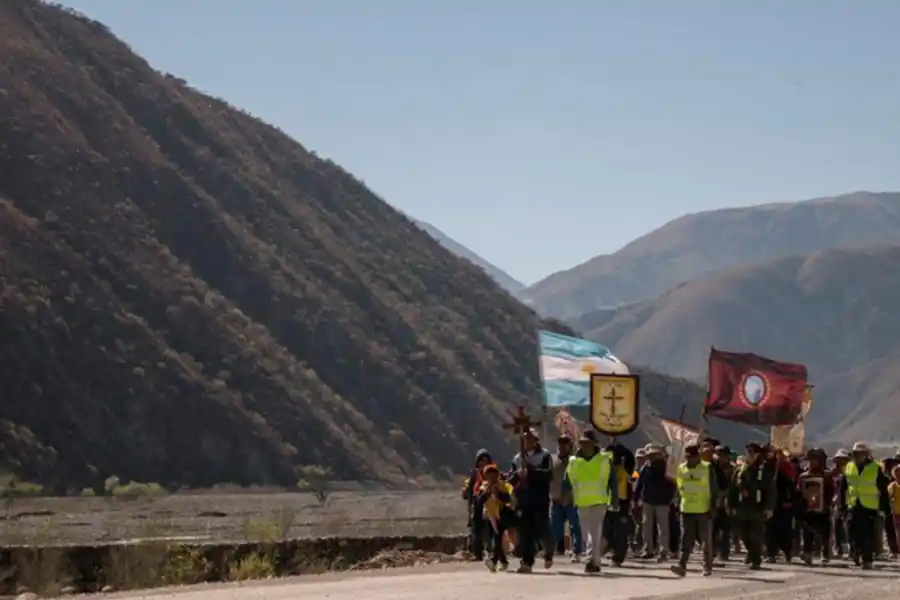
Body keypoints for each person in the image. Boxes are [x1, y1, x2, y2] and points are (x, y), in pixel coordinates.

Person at [564, 430, 617, 573]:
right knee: (587, 532)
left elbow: (613, 480)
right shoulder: (574, 461)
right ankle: (596, 560)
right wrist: (565, 495)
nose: (584, 445)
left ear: (594, 444)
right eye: (582, 443)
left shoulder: (604, 459)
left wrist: (614, 499)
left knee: (594, 530)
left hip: (599, 500)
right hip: (582, 501)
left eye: (587, 443)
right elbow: (567, 479)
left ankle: (590, 560)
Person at [838, 441, 891, 569]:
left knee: (867, 534)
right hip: (853, 505)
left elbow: (883, 488)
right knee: (851, 532)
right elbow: (843, 488)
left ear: (866, 454)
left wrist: (885, 507)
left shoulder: (875, 468)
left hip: (869, 507)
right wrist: (842, 505)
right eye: (856, 453)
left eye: (861, 453)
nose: (858, 456)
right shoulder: (849, 467)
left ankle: (867, 559)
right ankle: (855, 555)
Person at [509, 428, 555, 573]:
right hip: (524, 500)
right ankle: (527, 562)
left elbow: (547, 474)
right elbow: (511, 477)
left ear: (536, 440)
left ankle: (549, 550)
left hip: (539, 499)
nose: (527, 442)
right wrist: (516, 476)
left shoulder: (545, 456)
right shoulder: (517, 458)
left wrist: (529, 471)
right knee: (525, 531)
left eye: (530, 439)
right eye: (525, 439)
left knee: (542, 529)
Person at [728, 442, 777, 570]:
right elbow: (732, 489)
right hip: (741, 507)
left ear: (758, 454)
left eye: (752, 452)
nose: (750, 455)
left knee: (756, 535)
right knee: (743, 534)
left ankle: (756, 560)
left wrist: (769, 507)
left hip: (757, 507)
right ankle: (752, 553)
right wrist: (730, 505)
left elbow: (770, 490)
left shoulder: (764, 470)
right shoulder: (739, 470)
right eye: (748, 452)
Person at [670, 443, 716, 577]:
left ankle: (707, 567)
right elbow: (680, 487)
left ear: (697, 457)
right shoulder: (682, 468)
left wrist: (712, 507)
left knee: (705, 540)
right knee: (686, 539)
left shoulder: (707, 468)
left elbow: (713, 489)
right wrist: (678, 504)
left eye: (691, 457)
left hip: (703, 510)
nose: (689, 460)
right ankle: (681, 566)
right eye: (687, 457)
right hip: (686, 509)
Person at [635, 444, 675, 561]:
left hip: (663, 502)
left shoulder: (668, 468)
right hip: (647, 501)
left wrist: (671, 498)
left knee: (663, 528)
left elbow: (673, 484)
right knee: (646, 526)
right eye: (650, 455)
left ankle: (664, 551)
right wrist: (635, 499)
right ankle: (648, 549)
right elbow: (638, 485)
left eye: (654, 455)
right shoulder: (644, 469)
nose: (652, 457)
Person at [797, 447, 834, 565]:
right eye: (811, 460)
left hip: (823, 510)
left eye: (816, 460)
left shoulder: (827, 476)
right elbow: (799, 492)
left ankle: (825, 555)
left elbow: (832, 491)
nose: (813, 462)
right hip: (808, 509)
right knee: (807, 532)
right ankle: (807, 553)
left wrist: (828, 502)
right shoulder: (803, 476)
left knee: (824, 534)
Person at [477, 464, 515, 572]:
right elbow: (479, 502)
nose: (492, 478)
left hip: (502, 516)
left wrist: (498, 493)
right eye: (489, 476)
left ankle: (493, 561)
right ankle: (503, 561)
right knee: (495, 539)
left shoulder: (502, 485)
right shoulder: (483, 488)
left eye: (494, 475)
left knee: (497, 539)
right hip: (490, 517)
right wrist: (487, 493)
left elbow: (507, 498)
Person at [550, 434, 581, 560]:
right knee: (555, 527)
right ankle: (558, 548)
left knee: (575, 527)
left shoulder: (575, 461)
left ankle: (576, 551)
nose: (562, 447)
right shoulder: (552, 460)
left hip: (572, 500)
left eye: (565, 444)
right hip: (556, 499)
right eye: (560, 444)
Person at [765, 449, 797, 563]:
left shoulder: (785, 473)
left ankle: (787, 552)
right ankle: (770, 553)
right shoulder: (766, 473)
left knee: (784, 531)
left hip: (783, 506)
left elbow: (792, 489)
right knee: (769, 530)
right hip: (770, 505)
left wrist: (790, 501)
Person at [461, 448, 492, 560]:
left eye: (486, 460)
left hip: (490, 505)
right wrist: (470, 506)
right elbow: (469, 492)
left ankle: (491, 552)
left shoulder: (492, 472)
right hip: (477, 505)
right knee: (476, 530)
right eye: (481, 460)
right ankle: (477, 553)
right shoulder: (474, 474)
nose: (483, 462)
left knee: (490, 529)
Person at [712, 445, 735, 562]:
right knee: (712, 530)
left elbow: (733, 486)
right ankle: (711, 552)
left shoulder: (731, 470)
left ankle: (724, 553)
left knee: (726, 531)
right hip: (713, 503)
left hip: (726, 503)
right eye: (718, 454)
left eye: (723, 455)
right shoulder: (711, 468)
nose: (720, 457)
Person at [831, 448, 851, 557]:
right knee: (836, 525)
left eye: (844, 459)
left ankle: (849, 547)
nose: (841, 461)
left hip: (849, 501)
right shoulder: (832, 473)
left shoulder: (852, 472)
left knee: (847, 526)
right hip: (836, 503)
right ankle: (837, 548)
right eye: (839, 459)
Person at [889, 464, 900, 559]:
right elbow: (888, 497)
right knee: (898, 532)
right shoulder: (893, 486)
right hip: (896, 513)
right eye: (897, 473)